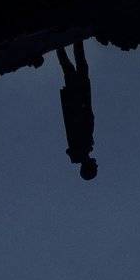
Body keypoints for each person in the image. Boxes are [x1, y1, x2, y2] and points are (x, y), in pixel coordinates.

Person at [55, 40, 98, 180]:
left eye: (94, 167)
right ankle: (71, 41)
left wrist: (78, 102)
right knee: (74, 67)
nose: (96, 164)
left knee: (74, 67)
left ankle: (69, 40)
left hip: (78, 100)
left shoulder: (82, 147)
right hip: (79, 101)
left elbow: (79, 121)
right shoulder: (81, 148)